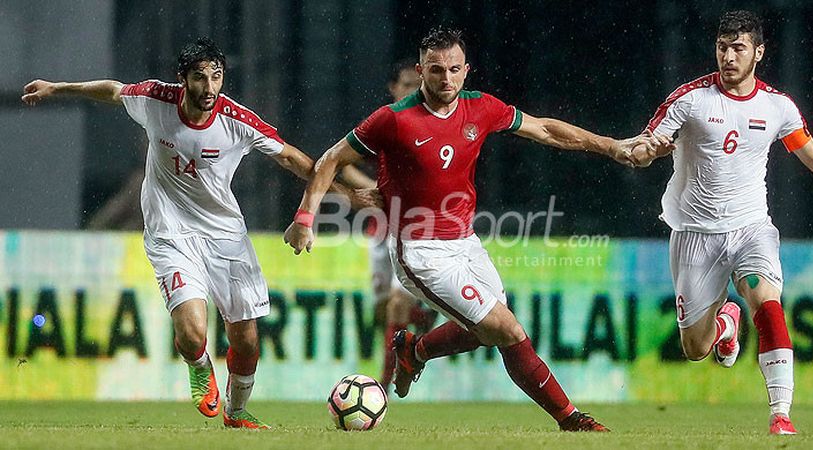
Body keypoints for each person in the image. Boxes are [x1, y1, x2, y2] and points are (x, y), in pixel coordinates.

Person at [284, 27, 659, 432]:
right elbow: (330, 159)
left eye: (454, 70)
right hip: (419, 250)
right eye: (435, 70)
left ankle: (416, 350)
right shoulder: (393, 120)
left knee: (488, 333)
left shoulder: (480, 108)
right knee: (507, 328)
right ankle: (571, 419)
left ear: (467, 71)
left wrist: (612, 146)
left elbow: (545, 129)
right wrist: (307, 217)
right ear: (420, 71)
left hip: (465, 242)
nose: (445, 80)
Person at [22, 37, 371, 429]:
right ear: (182, 79)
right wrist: (58, 88)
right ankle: (199, 367)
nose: (209, 88)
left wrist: (343, 194)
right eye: (200, 78)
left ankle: (236, 413)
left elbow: (291, 157)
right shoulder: (156, 99)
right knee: (192, 333)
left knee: (247, 342)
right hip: (170, 232)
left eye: (216, 77)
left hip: (226, 237)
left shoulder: (237, 120)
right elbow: (114, 90)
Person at [632, 10, 813, 435]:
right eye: (722, 47)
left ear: (758, 52)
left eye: (738, 48)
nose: (728, 56)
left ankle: (781, 415)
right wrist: (646, 151)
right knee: (695, 347)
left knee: (769, 304)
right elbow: (650, 141)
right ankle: (724, 323)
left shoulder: (777, 107)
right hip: (695, 234)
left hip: (751, 227)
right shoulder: (691, 99)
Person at [339, 59, 437, 388]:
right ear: (393, 88)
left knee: (397, 305)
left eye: (417, 84)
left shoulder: (429, 125)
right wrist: (370, 190)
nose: (413, 91)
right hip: (379, 230)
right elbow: (343, 166)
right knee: (383, 311)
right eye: (407, 84)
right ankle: (424, 317)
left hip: (412, 229)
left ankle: (385, 384)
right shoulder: (382, 125)